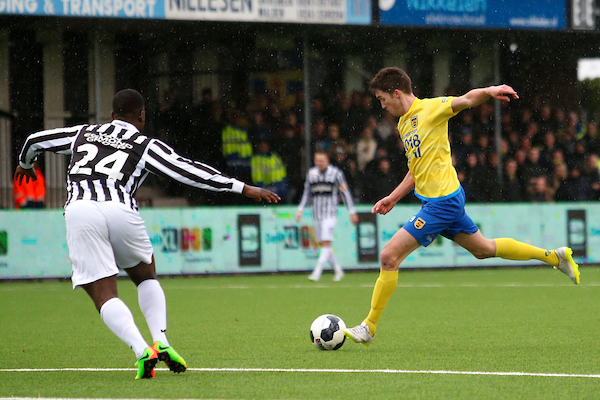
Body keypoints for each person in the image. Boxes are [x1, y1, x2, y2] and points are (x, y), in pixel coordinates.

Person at [14, 89, 280, 379]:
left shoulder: (82, 133)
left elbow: (34, 140)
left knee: (103, 294)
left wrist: (26, 164)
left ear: (112, 115)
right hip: (121, 209)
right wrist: (242, 187)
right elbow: (187, 170)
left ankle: (142, 350)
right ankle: (161, 341)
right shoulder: (144, 145)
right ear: (141, 116)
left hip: (82, 210)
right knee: (145, 275)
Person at [343, 67, 580, 347]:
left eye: (383, 99)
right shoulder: (404, 124)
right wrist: (393, 197)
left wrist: (489, 91)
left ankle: (369, 326)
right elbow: (416, 168)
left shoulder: (431, 109)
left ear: (396, 93)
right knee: (484, 249)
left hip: (443, 202)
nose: (382, 106)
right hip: (440, 200)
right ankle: (554, 257)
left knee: (388, 257)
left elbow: (465, 99)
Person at [295, 150, 359, 282]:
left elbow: (345, 193)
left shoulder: (336, 174)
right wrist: (300, 209)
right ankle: (338, 270)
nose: (319, 163)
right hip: (316, 215)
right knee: (325, 245)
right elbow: (307, 193)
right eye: (317, 160)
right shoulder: (311, 174)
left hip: (330, 214)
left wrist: (351, 211)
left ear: (327, 161)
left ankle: (317, 273)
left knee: (325, 243)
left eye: (321, 160)